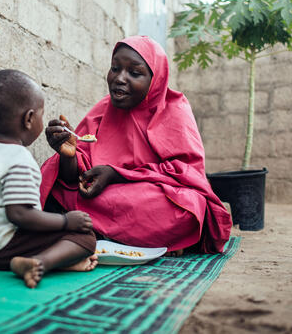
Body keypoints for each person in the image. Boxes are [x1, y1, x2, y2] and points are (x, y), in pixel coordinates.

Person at [40, 36, 232, 254]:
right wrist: (68, 155)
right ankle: (124, 235)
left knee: (190, 206)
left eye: (134, 72)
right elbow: (75, 178)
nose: (119, 78)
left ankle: (89, 230)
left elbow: (187, 174)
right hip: (104, 198)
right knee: (53, 178)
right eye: (115, 68)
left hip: (145, 198)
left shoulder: (174, 110)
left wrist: (116, 174)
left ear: (155, 80)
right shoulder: (102, 111)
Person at [0, 69, 98, 289]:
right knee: (85, 236)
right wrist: (66, 221)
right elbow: (19, 214)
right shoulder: (18, 158)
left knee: (55, 226)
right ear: (29, 119)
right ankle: (40, 263)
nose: (42, 121)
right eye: (41, 115)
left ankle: (49, 260)